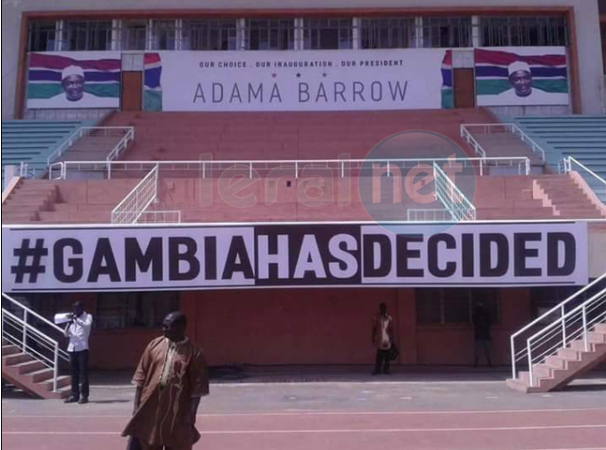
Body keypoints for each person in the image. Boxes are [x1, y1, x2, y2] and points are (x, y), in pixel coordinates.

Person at [123, 312, 210, 450]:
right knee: (148, 443)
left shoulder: (194, 353)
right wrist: (136, 406)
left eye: (167, 326)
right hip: (151, 407)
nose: (163, 329)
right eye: (163, 326)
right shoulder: (154, 345)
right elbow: (140, 378)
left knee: (176, 444)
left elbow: (197, 389)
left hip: (177, 411)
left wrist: (191, 415)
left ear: (180, 328)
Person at [64, 301, 93, 404]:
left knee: (83, 374)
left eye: (77, 308)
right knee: (73, 373)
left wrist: (77, 320)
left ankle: (84, 396)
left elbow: (87, 326)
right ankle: (74, 395)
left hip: (82, 348)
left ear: (81, 308)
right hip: (72, 349)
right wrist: (69, 323)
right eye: (74, 309)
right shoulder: (73, 319)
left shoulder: (88, 316)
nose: (75, 311)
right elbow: (66, 334)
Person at [372, 303, 395, 375]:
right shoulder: (377, 317)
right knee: (379, 355)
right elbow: (374, 328)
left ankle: (386, 370)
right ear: (380, 309)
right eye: (382, 308)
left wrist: (392, 338)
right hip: (380, 338)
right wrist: (373, 337)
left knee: (387, 356)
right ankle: (377, 370)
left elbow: (391, 329)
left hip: (387, 339)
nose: (383, 309)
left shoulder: (389, 318)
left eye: (384, 308)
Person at [472, 302, 493, 368]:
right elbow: (490, 323)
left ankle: (476, 363)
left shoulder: (475, 315)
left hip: (479, 334)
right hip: (485, 334)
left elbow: (474, 323)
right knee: (487, 350)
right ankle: (489, 363)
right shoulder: (486, 314)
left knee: (478, 350)